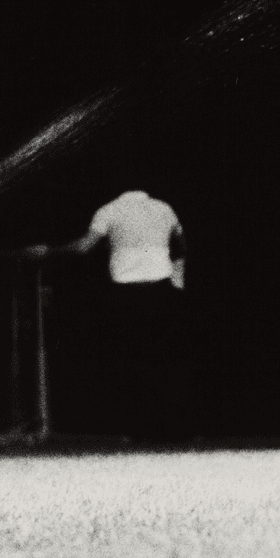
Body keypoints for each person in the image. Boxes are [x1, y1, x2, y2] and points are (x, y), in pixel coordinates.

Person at [32, 189, 189, 441]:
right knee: (162, 357)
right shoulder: (163, 208)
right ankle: (171, 428)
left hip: (127, 291)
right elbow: (181, 245)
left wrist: (48, 251)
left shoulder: (109, 209)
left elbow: (84, 247)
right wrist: (178, 280)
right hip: (161, 289)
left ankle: (136, 429)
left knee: (130, 358)